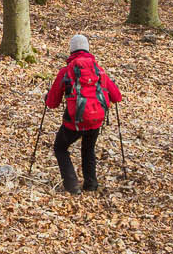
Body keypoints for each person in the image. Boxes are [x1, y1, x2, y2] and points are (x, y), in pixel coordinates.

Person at [43, 34, 123, 194]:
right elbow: (117, 97)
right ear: (87, 49)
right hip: (95, 120)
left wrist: (47, 97)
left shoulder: (66, 71)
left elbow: (52, 103)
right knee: (88, 149)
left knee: (60, 147)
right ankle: (91, 184)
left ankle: (72, 186)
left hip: (74, 121)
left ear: (71, 51)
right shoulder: (99, 71)